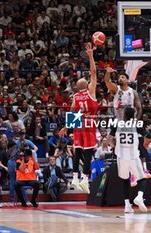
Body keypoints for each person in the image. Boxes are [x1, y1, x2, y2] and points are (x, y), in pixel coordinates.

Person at [59, 43, 98, 194]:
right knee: (87, 154)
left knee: (77, 151)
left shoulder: (75, 96)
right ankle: (85, 180)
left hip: (78, 125)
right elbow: (93, 72)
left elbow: (72, 111)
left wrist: (65, 127)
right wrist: (90, 56)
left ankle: (75, 177)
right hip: (89, 125)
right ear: (87, 85)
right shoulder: (91, 92)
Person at [104, 67, 151, 181]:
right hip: (119, 122)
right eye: (119, 76)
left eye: (123, 77)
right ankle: (127, 172)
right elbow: (107, 82)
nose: (120, 78)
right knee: (119, 148)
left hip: (131, 122)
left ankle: (143, 169)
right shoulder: (116, 89)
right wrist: (108, 73)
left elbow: (139, 108)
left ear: (128, 80)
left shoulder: (133, 92)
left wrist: (136, 120)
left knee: (137, 144)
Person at [109, 107, 150, 213]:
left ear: (124, 115)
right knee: (142, 178)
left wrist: (114, 144)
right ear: (134, 115)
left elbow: (109, 139)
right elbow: (149, 136)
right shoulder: (137, 124)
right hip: (133, 156)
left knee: (125, 180)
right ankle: (139, 196)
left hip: (121, 157)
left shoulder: (117, 124)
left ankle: (127, 205)